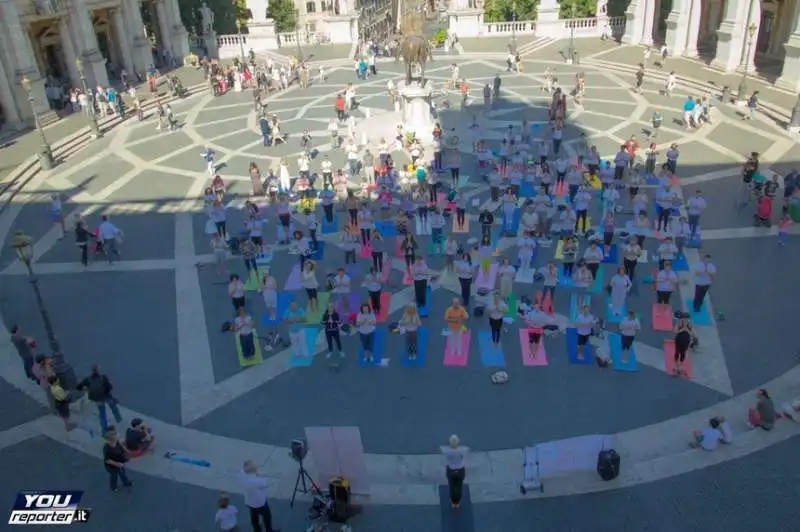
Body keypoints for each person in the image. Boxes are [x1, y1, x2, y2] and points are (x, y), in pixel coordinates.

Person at [79, 365, 123, 433]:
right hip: (106, 396)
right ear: (98, 370)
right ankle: (118, 419)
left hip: (97, 399)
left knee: (102, 413)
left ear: (91, 371)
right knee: (113, 406)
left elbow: (79, 387)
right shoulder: (103, 377)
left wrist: (86, 389)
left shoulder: (87, 379)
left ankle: (104, 429)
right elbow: (110, 387)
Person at [239, 460, 279, 532]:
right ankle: (269, 530)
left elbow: (243, 471)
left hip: (249, 501)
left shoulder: (242, 476)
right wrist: (257, 474)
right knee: (267, 515)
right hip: (260, 503)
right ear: (254, 470)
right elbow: (265, 485)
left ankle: (257, 529)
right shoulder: (257, 481)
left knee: (254, 515)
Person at [441, 435, 468, 509]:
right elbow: (466, 450)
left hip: (451, 470)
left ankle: (453, 502)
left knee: (452, 486)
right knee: (459, 486)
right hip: (460, 470)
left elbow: (442, 449)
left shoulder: (446, 451)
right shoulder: (462, 450)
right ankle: (457, 502)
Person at [103, 426, 133, 492]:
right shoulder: (107, 448)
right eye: (116, 434)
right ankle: (113, 487)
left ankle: (126, 482)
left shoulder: (116, 442)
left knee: (122, 473)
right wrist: (117, 464)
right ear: (112, 438)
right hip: (112, 467)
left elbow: (121, 448)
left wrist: (126, 453)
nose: (118, 434)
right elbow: (107, 460)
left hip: (120, 462)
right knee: (114, 476)